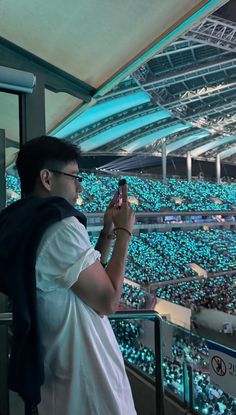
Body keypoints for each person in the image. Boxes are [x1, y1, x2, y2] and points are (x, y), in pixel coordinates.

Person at [2, 136, 137, 415]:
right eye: (73, 176)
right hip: (88, 383)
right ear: (47, 178)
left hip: (60, 374)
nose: (79, 186)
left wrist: (107, 231)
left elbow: (81, 279)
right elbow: (108, 300)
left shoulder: (27, 221)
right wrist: (125, 231)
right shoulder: (60, 225)